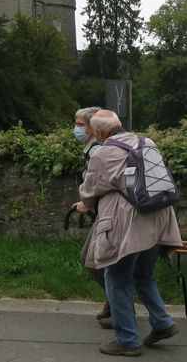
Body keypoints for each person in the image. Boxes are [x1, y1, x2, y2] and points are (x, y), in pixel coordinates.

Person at [80, 110, 183, 357]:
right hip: (160, 216)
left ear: (100, 132)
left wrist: (86, 202)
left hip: (130, 221)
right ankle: (162, 323)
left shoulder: (102, 153)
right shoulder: (146, 142)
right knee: (142, 274)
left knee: (115, 278)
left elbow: (90, 190)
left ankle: (127, 340)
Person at [71, 107, 112, 327]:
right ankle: (114, 304)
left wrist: (88, 203)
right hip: (103, 212)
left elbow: (102, 183)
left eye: (81, 125)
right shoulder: (90, 150)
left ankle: (117, 306)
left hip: (107, 215)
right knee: (97, 261)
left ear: (93, 128)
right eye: (76, 124)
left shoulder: (96, 151)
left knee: (93, 261)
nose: (77, 129)